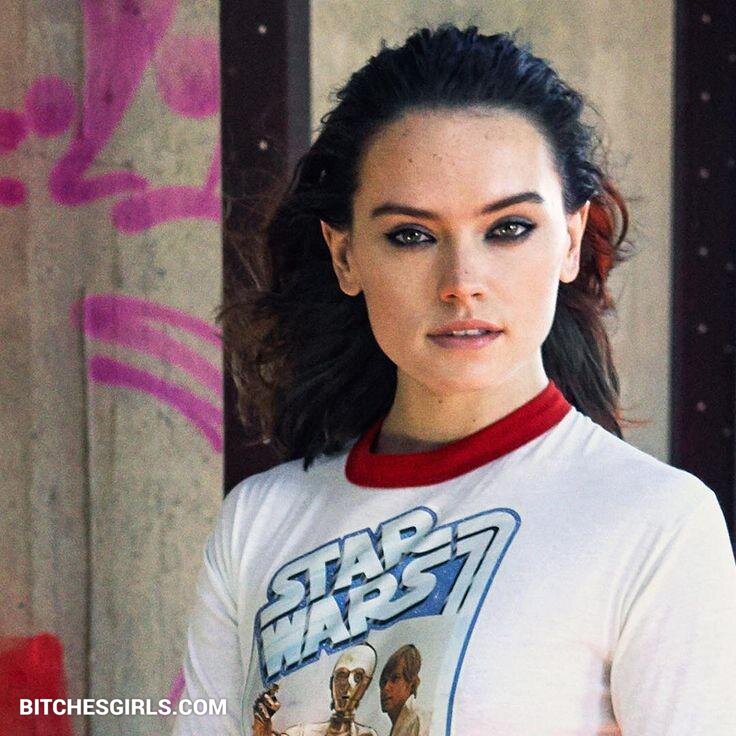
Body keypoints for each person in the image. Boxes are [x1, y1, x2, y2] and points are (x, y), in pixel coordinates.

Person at [172, 24, 736, 736]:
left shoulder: (656, 526)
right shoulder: (259, 523)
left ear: (569, 240)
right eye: (411, 235)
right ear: (345, 256)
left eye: (508, 229)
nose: (462, 282)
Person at [252, 644, 379, 736]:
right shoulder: (302, 733)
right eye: (342, 676)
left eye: (357, 677)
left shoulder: (367, 734)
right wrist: (262, 726)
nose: (347, 685)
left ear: (366, 685)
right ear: (332, 683)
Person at [379, 645, 427, 736]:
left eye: (395, 679)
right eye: (384, 681)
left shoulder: (419, 721)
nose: (386, 688)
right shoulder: (401, 726)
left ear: (411, 685)